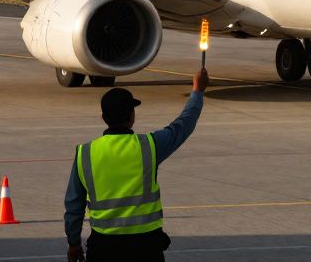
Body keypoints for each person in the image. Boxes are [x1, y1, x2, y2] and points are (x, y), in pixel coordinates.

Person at [65, 69, 209, 262]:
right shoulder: (149, 146)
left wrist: (74, 244)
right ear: (132, 116)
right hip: (145, 247)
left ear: (103, 116)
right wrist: (197, 90)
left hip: (104, 247)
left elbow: (74, 206)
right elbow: (184, 124)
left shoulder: (85, 153)